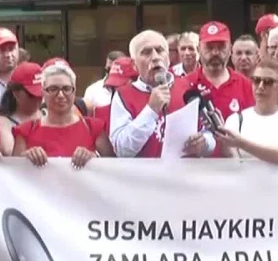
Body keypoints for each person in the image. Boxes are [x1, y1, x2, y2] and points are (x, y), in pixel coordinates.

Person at [108, 30, 214, 159]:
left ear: (168, 59)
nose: (155, 57)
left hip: (183, 175)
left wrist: (205, 143)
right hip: (145, 177)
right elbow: (122, 150)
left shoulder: (187, 87)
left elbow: (209, 133)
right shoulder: (123, 96)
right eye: (146, 52)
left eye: (160, 50)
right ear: (134, 65)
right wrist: (151, 110)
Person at [13, 62, 113, 167]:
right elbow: (13, 172)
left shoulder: (94, 128)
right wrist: (26, 158)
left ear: (74, 92)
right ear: (43, 93)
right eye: (53, 89)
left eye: (66, 89)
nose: (60, 95)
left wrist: (94, 159)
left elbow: (114, 168)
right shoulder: (26, 131)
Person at [216, 58, 278, 165]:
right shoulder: (236, 119)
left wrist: (242, 144)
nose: (260, 86)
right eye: (256, 80)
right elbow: (234, 161)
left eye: (268, 82)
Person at [183, 22, 255, 121]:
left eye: (221, 47)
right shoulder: (184, 85)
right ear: (199, 49)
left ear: (230, 49)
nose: (215, 52)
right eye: (209, 47)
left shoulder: (247, 86)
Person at [0, 62, 45, 143]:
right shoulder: (3, 123)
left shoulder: (50, 116)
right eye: (32, 95)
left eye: (41, 94)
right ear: (16, 93)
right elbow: (8, 150)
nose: (38, 99)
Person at [89, 56, 136, 121]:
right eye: (112, 87)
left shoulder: (149, 110)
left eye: (120, 85)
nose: (116, 90)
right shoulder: (100, 114)